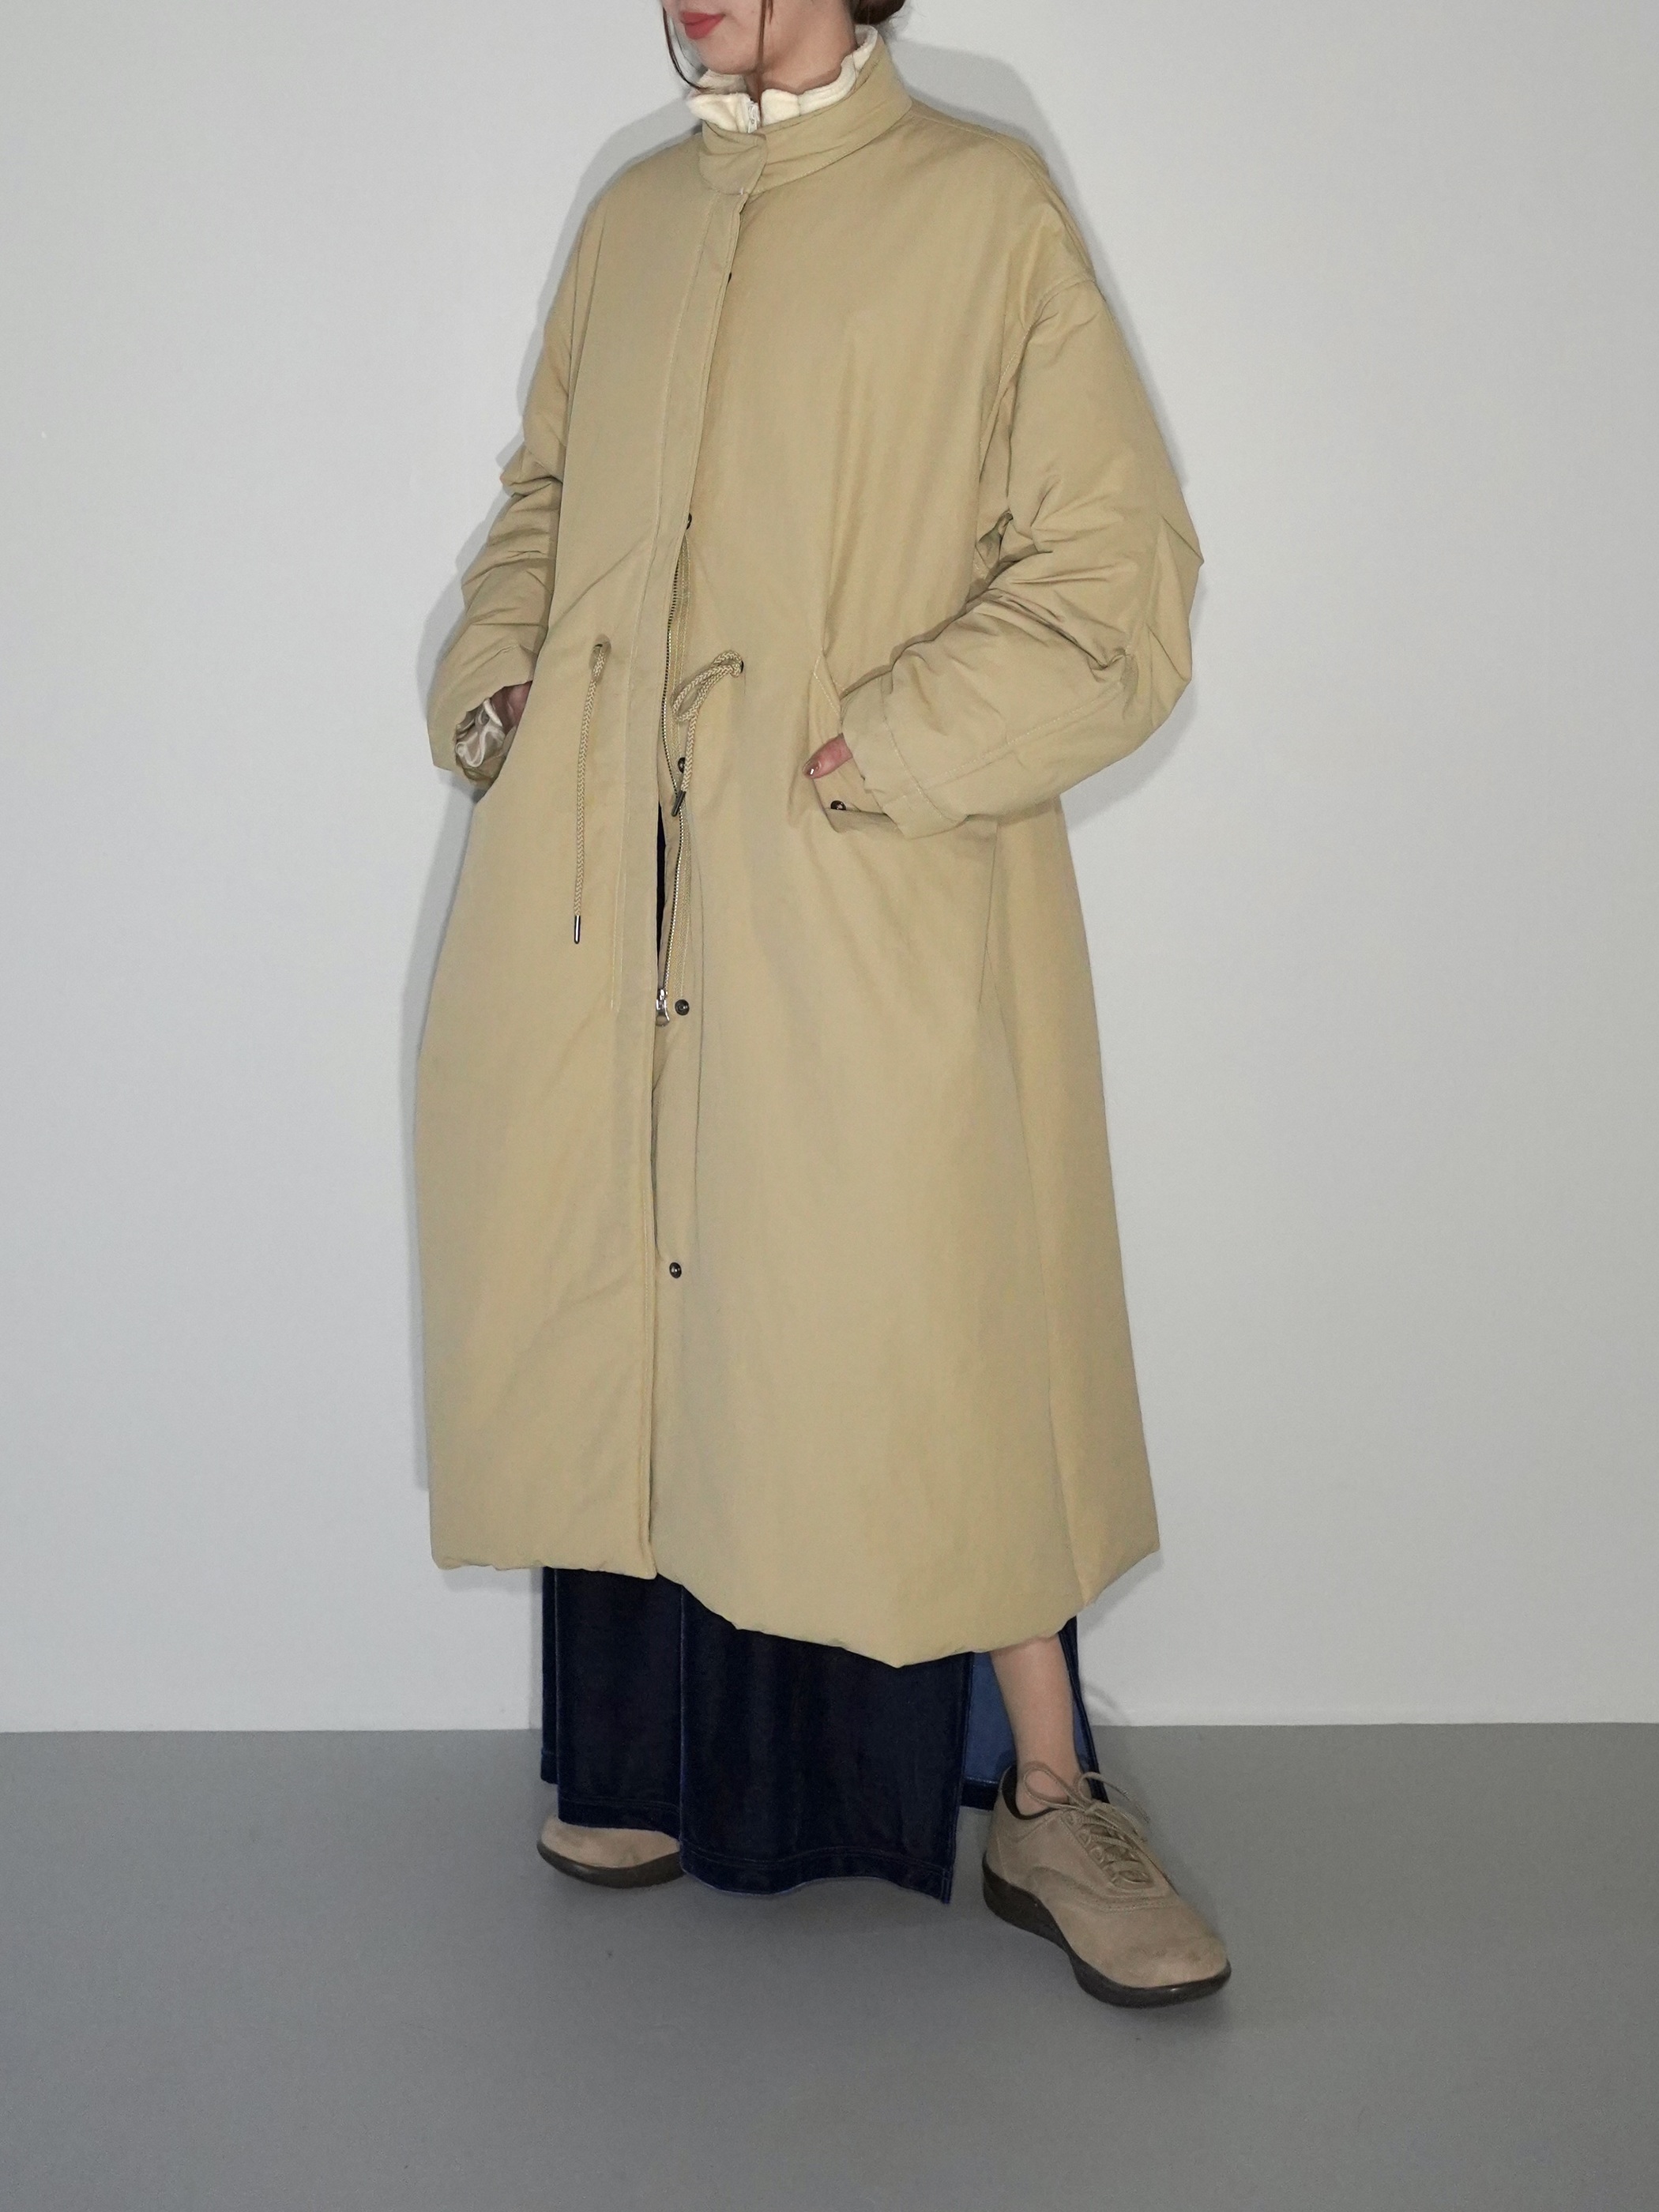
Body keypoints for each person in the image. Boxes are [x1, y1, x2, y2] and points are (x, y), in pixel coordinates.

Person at [417, 0, 1228, 2007]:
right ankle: (637, 1761)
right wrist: (496, 672)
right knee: (624, 1287)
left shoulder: (982, 207)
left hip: (858, 871)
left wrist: (891, 745)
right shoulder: (637, 218)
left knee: (932, 1323)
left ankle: (1049, 1793)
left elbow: (1117, 583)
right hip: (607, 879)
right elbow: (545, 492)